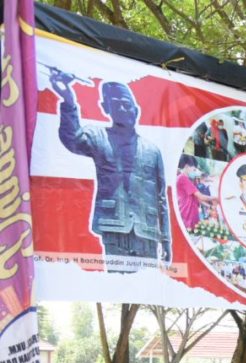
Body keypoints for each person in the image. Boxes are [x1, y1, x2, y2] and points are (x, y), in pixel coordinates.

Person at [52, 76, 171, 270]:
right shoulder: (98, 137)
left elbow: (161, 199)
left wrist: (166, 240)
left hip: (147, 231)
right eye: (116, 105)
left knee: (146, 287)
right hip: (114, 226)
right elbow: (72, 139)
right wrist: (68, 101)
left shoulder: (153, 151)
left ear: (136, 110)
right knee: (119, 282)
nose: (123, 109)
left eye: (127, 104)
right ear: (105, 108)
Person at [175, 155, 218, 231]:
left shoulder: (188, 179)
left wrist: (210, 207)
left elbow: (198, 199)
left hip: (191, 214)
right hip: (187, 215)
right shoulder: (182, 178)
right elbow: (201, 196)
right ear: (187, 166)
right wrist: (216, 197)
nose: (194, 171)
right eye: (193, 169)